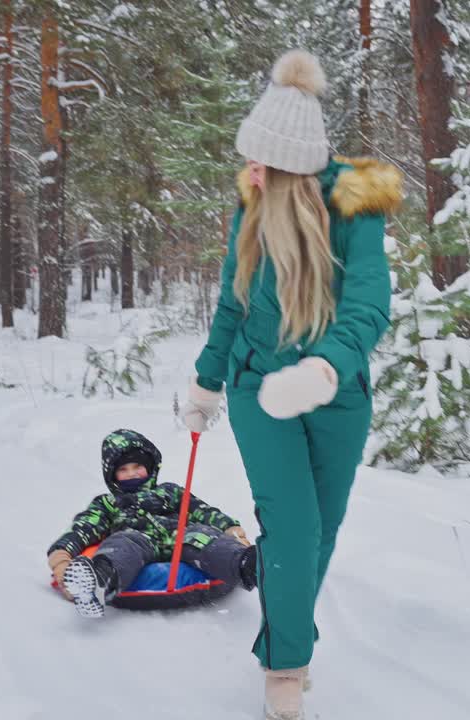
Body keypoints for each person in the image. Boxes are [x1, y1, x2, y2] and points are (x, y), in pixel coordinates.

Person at [182, 50, 400, 720]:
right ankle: (286, 666)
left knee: (323, 530)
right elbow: (232, 303)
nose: (248, 170)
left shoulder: (354, 210)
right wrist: (206, 382)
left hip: (338, 392)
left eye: (260, 161)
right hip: (257, 389)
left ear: (289, 165)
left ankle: (283, 634)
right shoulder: (248, 209)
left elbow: (369, 302)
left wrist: (325, 368)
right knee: (293, 526)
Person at [47, 429, 256, 618]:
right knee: (121, 544)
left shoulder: (170, 491)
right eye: (123, 469)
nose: (131, 473)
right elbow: (84, 527)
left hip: (180, 534)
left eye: (137, 466)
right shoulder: (108, 502)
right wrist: (61, 555)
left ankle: (247, 565)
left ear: (149, 467)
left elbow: (202, 511)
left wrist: (232, 530)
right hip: (137, 538)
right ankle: (100, 582)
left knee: (202, 535)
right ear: (112, 475)